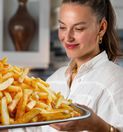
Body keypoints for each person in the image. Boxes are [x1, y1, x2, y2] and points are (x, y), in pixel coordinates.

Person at [8, 0, 123, 131]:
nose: (67, 37)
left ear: (101, 28)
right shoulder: (53, 81)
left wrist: (97, 126)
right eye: (62, 27)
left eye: (78, 28)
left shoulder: (117, 81)